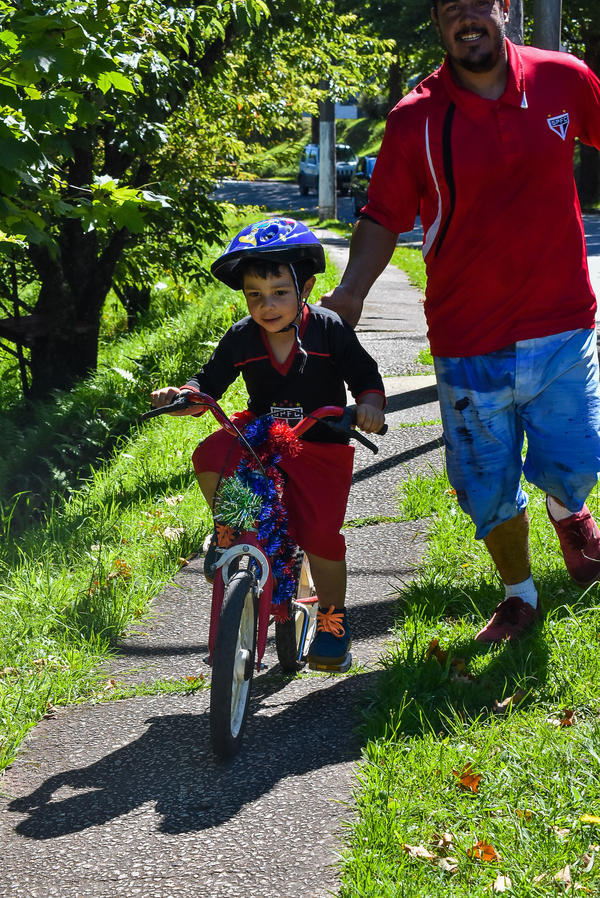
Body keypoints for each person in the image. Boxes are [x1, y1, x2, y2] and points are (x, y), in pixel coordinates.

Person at [321, 0, 600, 643]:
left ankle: (567, 508)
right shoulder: (416, 119)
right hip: (468, 338)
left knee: (579, 459)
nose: (466, 17)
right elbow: (382, 216)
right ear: (439, 22)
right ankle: (520, 596)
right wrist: (354, 291)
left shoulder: (563, 78)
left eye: (479, 2)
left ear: (504, 8)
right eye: (451, 8)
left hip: (562, 323)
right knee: (485, 487)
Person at [151, 217, 386, 669]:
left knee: (320, 537)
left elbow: (365, 376)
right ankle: (230, 530)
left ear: (307, 285)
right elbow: (209, 383)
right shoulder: (243, 336)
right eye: (254, 295)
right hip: (262, 437)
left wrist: (369, 407)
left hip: (321, 441)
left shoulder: (329, 328)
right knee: (211, 454)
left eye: (279, 291)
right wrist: (185, 397)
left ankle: (333, 621)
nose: (267, 305)